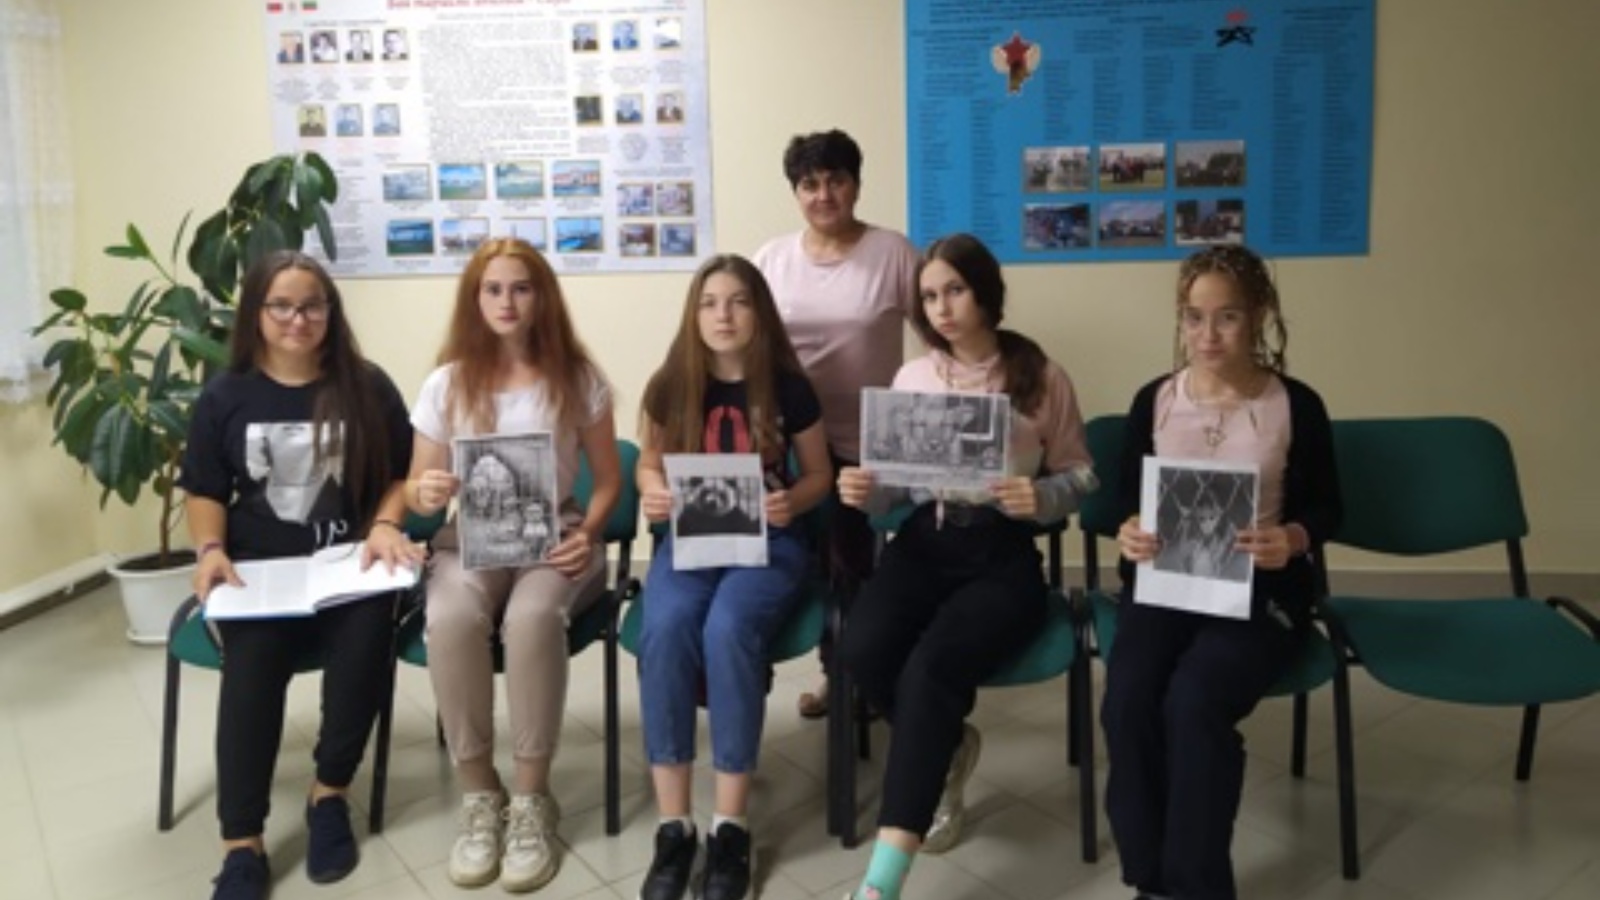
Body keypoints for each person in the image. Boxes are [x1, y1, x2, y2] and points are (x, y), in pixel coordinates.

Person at [835, 234, 1095, 900]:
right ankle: (946, 746)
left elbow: (1081, 475)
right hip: (925, 540)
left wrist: (1041, 497)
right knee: (860, 649)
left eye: (954, 290)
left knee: (930, 671)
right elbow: (896, 490)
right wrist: (868, 491)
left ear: (985, 292)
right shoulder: (913, 378)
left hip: (1001, 553)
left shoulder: (1040, 375)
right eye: (929, 296)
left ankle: (881, 882)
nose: (941, 308)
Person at [370, 237, 621, 893]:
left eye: (521, 288)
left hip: (556, 537)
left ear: (543, 297)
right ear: (474, 298)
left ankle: (532, 799)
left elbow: (608, 482)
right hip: (471, 540)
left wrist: (589, 532)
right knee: (451, 618)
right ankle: (481, 794)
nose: (507, 301)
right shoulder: (447, 383)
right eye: (493, 289)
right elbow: (418, 487)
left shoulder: (578, 378)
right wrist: (426, 492)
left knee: (533, 619)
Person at [1102, 244, 1342, 900]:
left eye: (1228, 317)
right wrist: (1129, 527)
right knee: (1127, 702)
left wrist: (1292, 538)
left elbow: (1328, 507)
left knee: (1194, 701)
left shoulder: (1296, 403)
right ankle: (1150, 878)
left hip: (1262, 590)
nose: (1208, 334)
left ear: (1258, 315)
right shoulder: (1155, 400)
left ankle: (1196, 887)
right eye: (1194, 317)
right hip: (1166, 584)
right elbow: (1124, 500)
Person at [180, 251, 414, 900]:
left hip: (349, 565)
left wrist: (386, 524)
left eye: (312, 305)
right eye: (280, 306)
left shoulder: (367, 386)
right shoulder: (225, 395)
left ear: (330, 311)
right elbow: (203, 488)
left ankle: (328, 794)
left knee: (366, 646)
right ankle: (241, 843)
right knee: (252, 669)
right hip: (259, 573)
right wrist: (210, 549)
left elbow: (401, 473)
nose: (297, 319)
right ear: (256, 313)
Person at [634, 255, 832, 900]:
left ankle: (730, 827)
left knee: (728, 628)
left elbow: (819, 475)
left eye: (739, 301)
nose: (723, 315)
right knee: (665, 628)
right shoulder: (671, 385)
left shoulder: (790, 389)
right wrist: (653, 489)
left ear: (759, 312)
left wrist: (793, 501)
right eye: (710, 302)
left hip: (770, 543)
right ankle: (674, 829)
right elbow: (647, 465)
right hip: (691, 541)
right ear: (693, 314)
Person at [752, 128, 919, 719]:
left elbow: (938, 339)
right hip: (790, 443)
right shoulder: (771, 260)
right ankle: (824, 674)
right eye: (809, 184)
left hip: (867, 443)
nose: (824, 194)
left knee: (853, 564)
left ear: (856, 185)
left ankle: (857, 675)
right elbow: (750, 347)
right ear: (795, 192)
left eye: (836, 180)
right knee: (797, 560)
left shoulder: (892, 252)